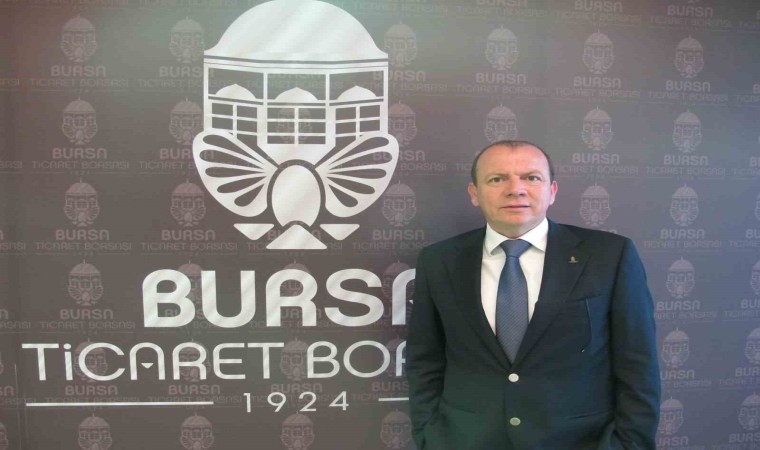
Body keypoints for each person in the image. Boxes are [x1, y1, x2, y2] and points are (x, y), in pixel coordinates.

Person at [406, 140, 660, 450]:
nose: (515, 189)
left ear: (552, 191)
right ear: (474, 193)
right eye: (497, 179)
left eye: (531, 177)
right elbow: (424, 359)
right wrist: (429, 436)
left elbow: (638, 363)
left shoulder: (609, 255)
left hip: (581, 441)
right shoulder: (438, 260)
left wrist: (628, 444)